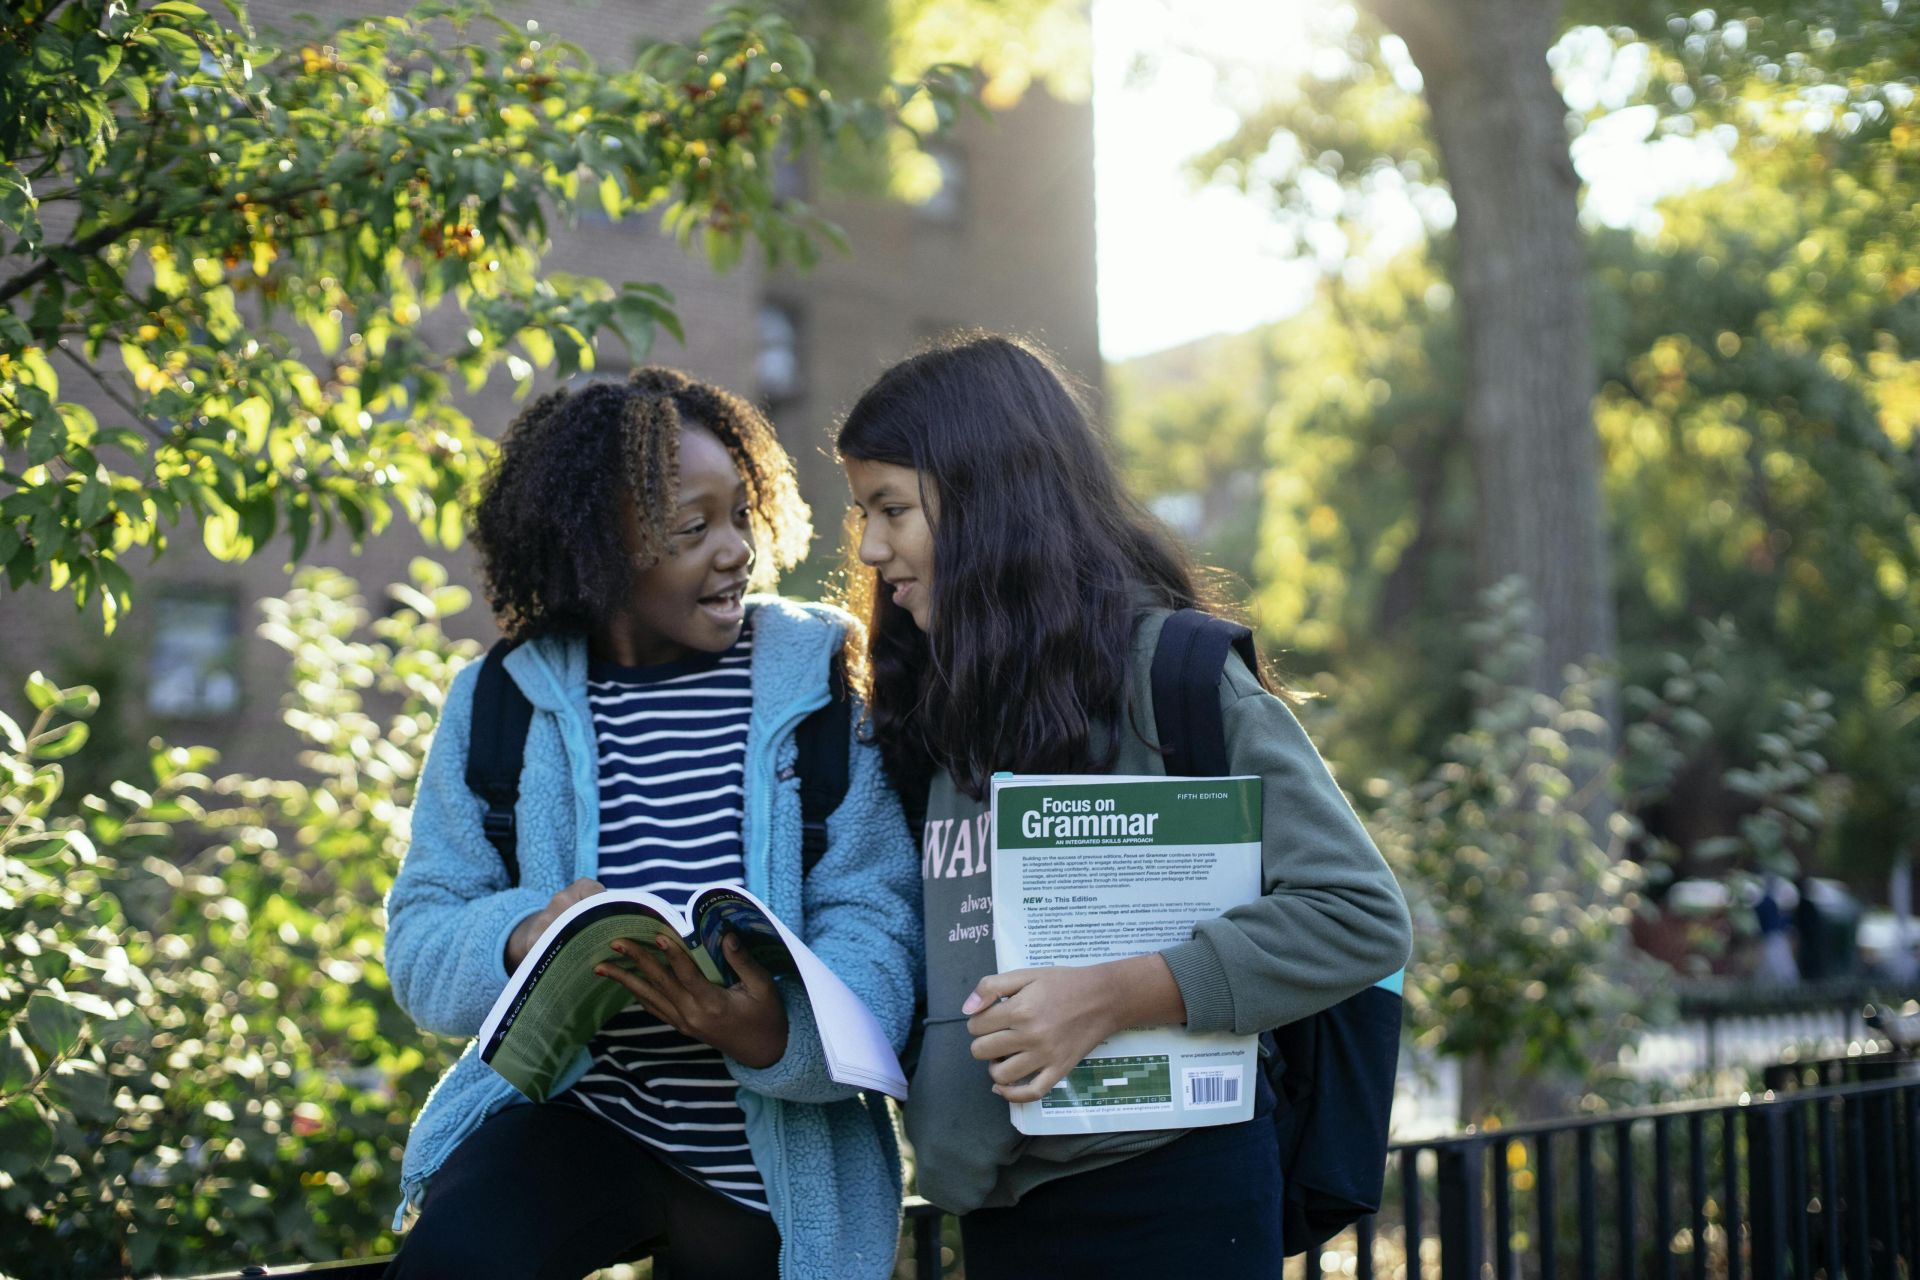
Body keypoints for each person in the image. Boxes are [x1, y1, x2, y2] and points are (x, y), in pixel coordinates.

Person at [836, 333, 1412, 1279]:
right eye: (863, 512)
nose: (868, 547)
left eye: (892, 508)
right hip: (1001, 1212)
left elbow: (1358, 916)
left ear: (989, 500)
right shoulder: (931, 706)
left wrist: (1114, 994)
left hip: (1176, 1200)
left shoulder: (1174, 674)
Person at [383, 368, 919, 1280]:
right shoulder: (498, 699)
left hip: (774, 1162)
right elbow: (422, 936)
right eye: (691, 528)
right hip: (581, 1116)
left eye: (742, 514)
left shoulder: (824, 673)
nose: (735, 550)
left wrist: (774, 1035)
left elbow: (879, 918)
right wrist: (522, 937)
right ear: (596, 549)